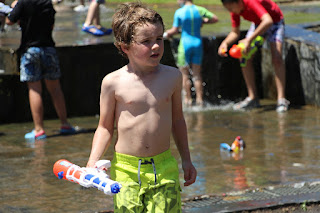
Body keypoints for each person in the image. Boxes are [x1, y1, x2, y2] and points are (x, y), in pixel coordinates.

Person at [86, 2, 197, 212]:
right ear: (125, 47)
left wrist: (187, 160)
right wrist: (93, 162)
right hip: (126, 169)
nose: (156, 46)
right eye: (146, 41)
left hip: (164, 167)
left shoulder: (172, 76)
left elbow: (177, 120)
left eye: (159, 39)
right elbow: (104, 127)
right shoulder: (113, 82)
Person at [6, 0, 76, 140]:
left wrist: (14, 8)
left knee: (35, 89)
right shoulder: (47, 2)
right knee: (56, 89)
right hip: (48, 48)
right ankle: (65, 124)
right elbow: (51, 25)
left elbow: (9, 21)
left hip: (30, 50)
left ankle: (39, 129)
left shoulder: (23, 2)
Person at [218, 0, 290, 112]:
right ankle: (253, 98)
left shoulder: (250, 2)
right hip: (258, 24)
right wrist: (225, 43)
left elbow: (268, 21)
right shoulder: (235, 10)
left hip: (275, 22)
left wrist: (248, 40)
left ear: (238, 2)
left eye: (231, 8)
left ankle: (281, 99)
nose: (231, 11)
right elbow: (235, 32)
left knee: (277, 58)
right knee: (243, 58)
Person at [164, 0, 218, 107]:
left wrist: (166, 34)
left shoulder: (180, 11)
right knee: (197, 75)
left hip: (185, 44)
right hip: (198, 43)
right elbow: (215, 19)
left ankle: (188, 100)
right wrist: (203, 22)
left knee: (184, 75)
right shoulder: (200, 9)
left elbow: (174, 30)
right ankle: (199, 100)